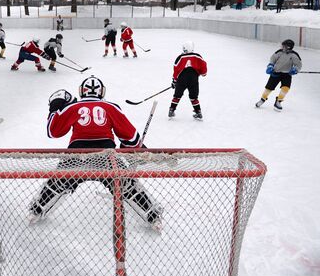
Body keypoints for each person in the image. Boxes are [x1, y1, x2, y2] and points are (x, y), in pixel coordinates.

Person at [28, 76, 163, 231]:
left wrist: (55, 107)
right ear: (101, 92)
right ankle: (152, 216)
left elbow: (53, 132)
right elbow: (131, 138)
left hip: (76, 154)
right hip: (106, 155)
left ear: (82, 91)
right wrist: (132, 146)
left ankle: (36, 211)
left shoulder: (73, 107)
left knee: (58, 182)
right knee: (126, 184)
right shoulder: (111, 107)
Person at [255, 39, 302, 111]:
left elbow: (298, 64)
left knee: (286, 88)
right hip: (275, 73)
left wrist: (295, 69)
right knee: (269, 88)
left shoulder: (294, 55)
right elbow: (272, 59)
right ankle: (262, 99)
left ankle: (278, 101)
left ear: (288, 47)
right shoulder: (279, 52)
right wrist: (270, 66)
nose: (282, 47)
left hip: (287, 75)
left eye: (284, 46)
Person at [168, 41, 207, 120]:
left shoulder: (180, 57)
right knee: (194, 96)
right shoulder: (197, 56)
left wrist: (174, 81)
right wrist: (203, 73)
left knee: (177, 95)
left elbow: (176, 69)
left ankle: (171, 110)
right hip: (193, 79)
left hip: (182, 79)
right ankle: (198, 112)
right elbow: (203, 66)